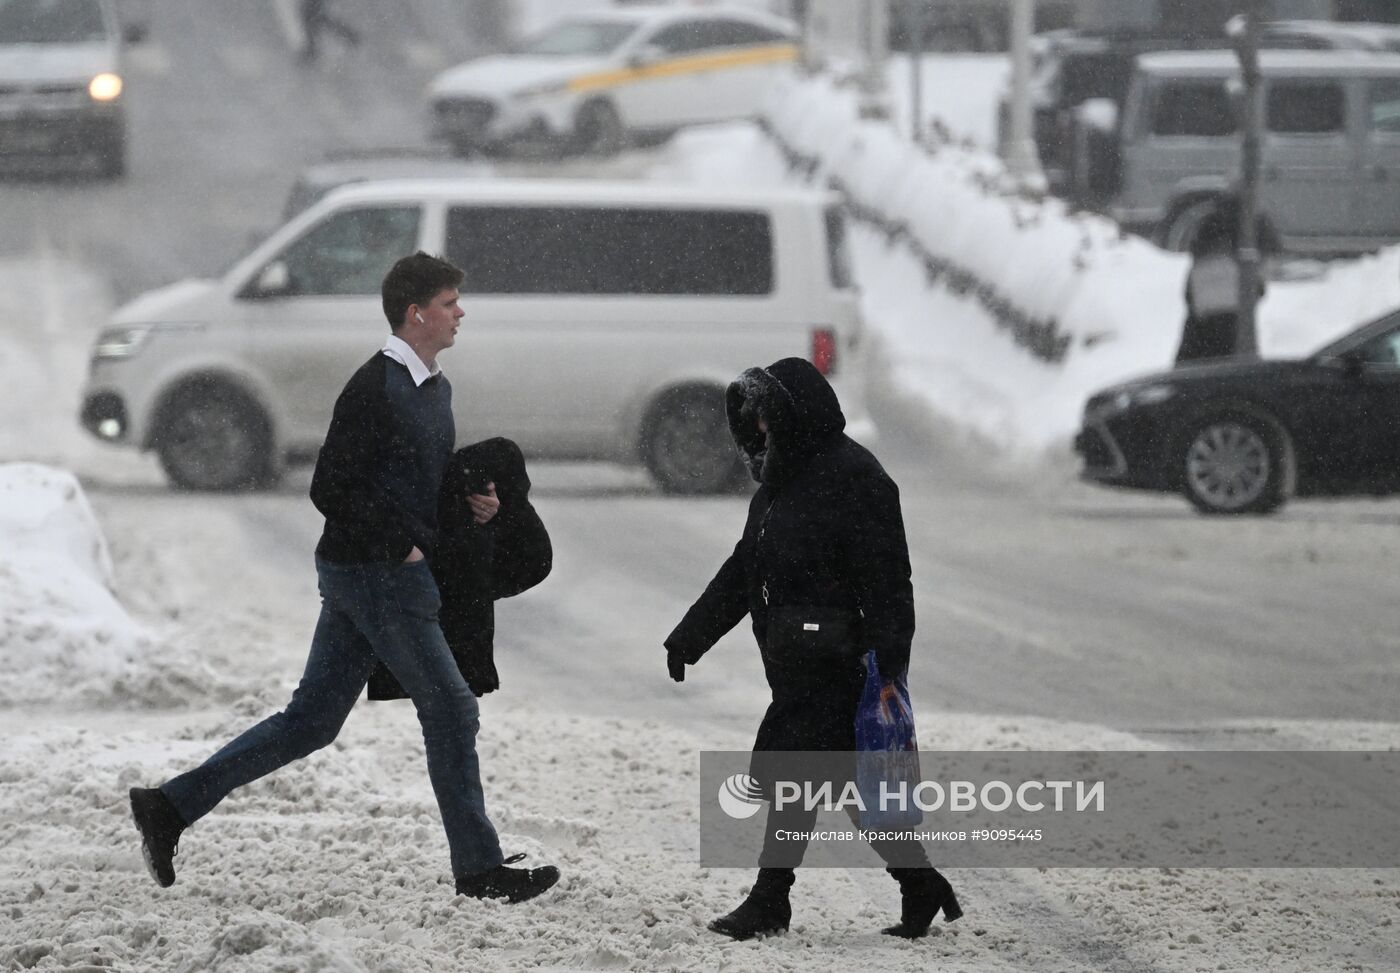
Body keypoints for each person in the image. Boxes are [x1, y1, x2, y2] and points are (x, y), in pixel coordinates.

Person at [129, 252, 559, 904]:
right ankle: (479, 869)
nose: (459, 313)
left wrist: (478, 502)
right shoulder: (375, 388)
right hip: (378, 573)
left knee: (311, 720)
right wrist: (405, 548)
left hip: (373, 571)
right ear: (416, 313)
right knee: (450, 708)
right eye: (448, 303)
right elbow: (331, 485)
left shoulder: (432, 386)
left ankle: (169, 805)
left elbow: (416, 477)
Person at [664, 357, 961, 941]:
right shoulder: (779, 483)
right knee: (845, 786)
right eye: (754, 422)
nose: (760, 431)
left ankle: (771, 899)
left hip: (841, 664)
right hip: (796, 661)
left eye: (767, 419)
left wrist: (887, 664)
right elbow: (743, 569)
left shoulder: (857, 478)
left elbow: (888, 580)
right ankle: (920, 884)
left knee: (790, 771)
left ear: (794, 415)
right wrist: (689, 638)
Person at [1175, 196, 1280, 364]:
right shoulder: (1247, 250)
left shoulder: (1207, 232)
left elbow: (1188, 297)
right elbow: (1259, 291)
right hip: (1232, 325)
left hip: (1201, 330)